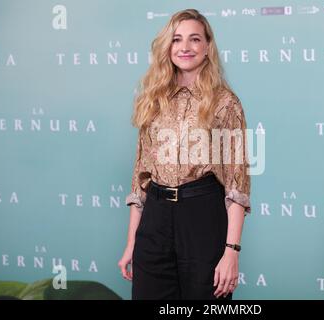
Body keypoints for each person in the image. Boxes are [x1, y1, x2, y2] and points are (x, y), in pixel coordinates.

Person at [118, 8, 251, 300]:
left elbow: (237, 183)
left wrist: (231, 252)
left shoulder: (225, 103)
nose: (185, 47)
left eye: (194, 39)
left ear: (207, 47)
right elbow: (140, 178)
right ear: (168, 47)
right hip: (154, 219)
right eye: (177, 39)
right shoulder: (152, 99)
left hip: (202, 216)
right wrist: (131, 243)